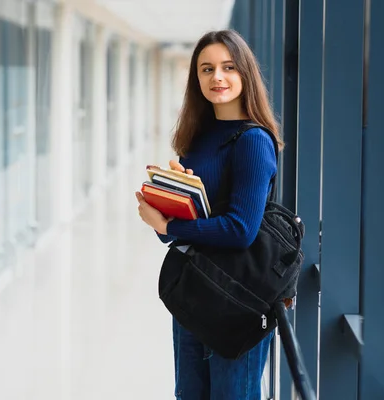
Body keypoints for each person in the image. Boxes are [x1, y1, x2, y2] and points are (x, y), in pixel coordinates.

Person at [135, 29, 283, 399]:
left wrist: (170, 223)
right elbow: (180, 232)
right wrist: (166, 210)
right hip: (196, 292)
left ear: (245, 74)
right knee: (188, 394)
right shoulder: (198, 139)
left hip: (239, 299)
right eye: (206, 69)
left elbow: (240, 230)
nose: (217, 77)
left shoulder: (253, 140)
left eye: (228, 67)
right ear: (196, 78)